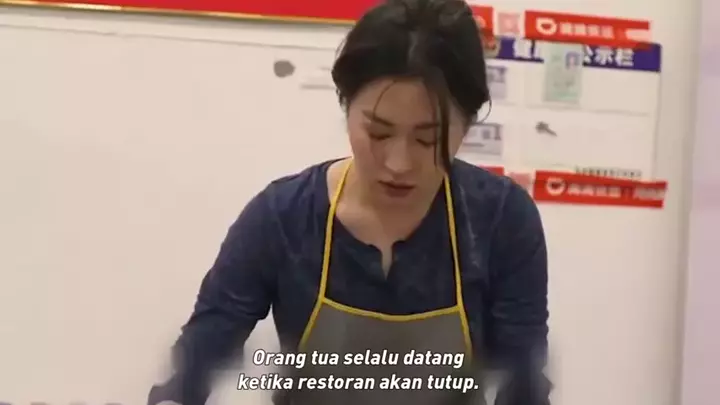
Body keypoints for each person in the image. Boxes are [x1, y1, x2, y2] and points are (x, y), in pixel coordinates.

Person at [148, 0, 550, 404]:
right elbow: (197, 364)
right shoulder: (283, 218)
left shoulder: (501, 220)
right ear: (346, 106)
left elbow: (523, 384)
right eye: (378, 133)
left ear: (469, 123)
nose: (398, 163)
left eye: (427, 139)